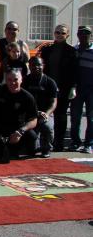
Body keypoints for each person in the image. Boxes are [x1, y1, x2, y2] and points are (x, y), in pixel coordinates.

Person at [39, 24, 77, 152]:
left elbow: (74, 72)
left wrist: (73, 87)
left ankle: (59, 143)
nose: (60, 35)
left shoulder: (72, 51)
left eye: (63, 33)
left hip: (64, 88)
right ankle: (45, 143)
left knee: (61, 116)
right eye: (57, 32)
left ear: (67, 35)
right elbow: (42, 69)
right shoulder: (47, 49)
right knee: (46, 115)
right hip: (48, 87)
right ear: (54, 33)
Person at [0, 69, 39, 162]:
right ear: (6, 80)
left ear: (21, 80)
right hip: (0, 126)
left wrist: (21, 131)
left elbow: (34, 120)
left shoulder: (27, 97)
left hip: (18, 128)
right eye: (9, 80)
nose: (12, 83)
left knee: (32, 136)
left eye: (16, 79)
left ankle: (21, 150)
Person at [23, 57, 58, 158]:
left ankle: (46, 148)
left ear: (43, 66)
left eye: (39, 65)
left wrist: (46, 114)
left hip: (45, 113)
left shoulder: (50, 82)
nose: (36, 67)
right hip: (29, 114)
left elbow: (54, 102)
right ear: (29, 66)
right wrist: (34, 112)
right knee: (30, 149)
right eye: (33, 65)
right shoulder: (25, 81)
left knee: (47, 126)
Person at [71, 25, 93, 154]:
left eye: (87, 33)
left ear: (91, 35)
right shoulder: (74, 50)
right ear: (77, 35)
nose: (84, 36)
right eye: (81, 33)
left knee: (91, 118)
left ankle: (89, 144)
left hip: (91, 89)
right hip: (77, 89)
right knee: (75, 117)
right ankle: (75, 142)